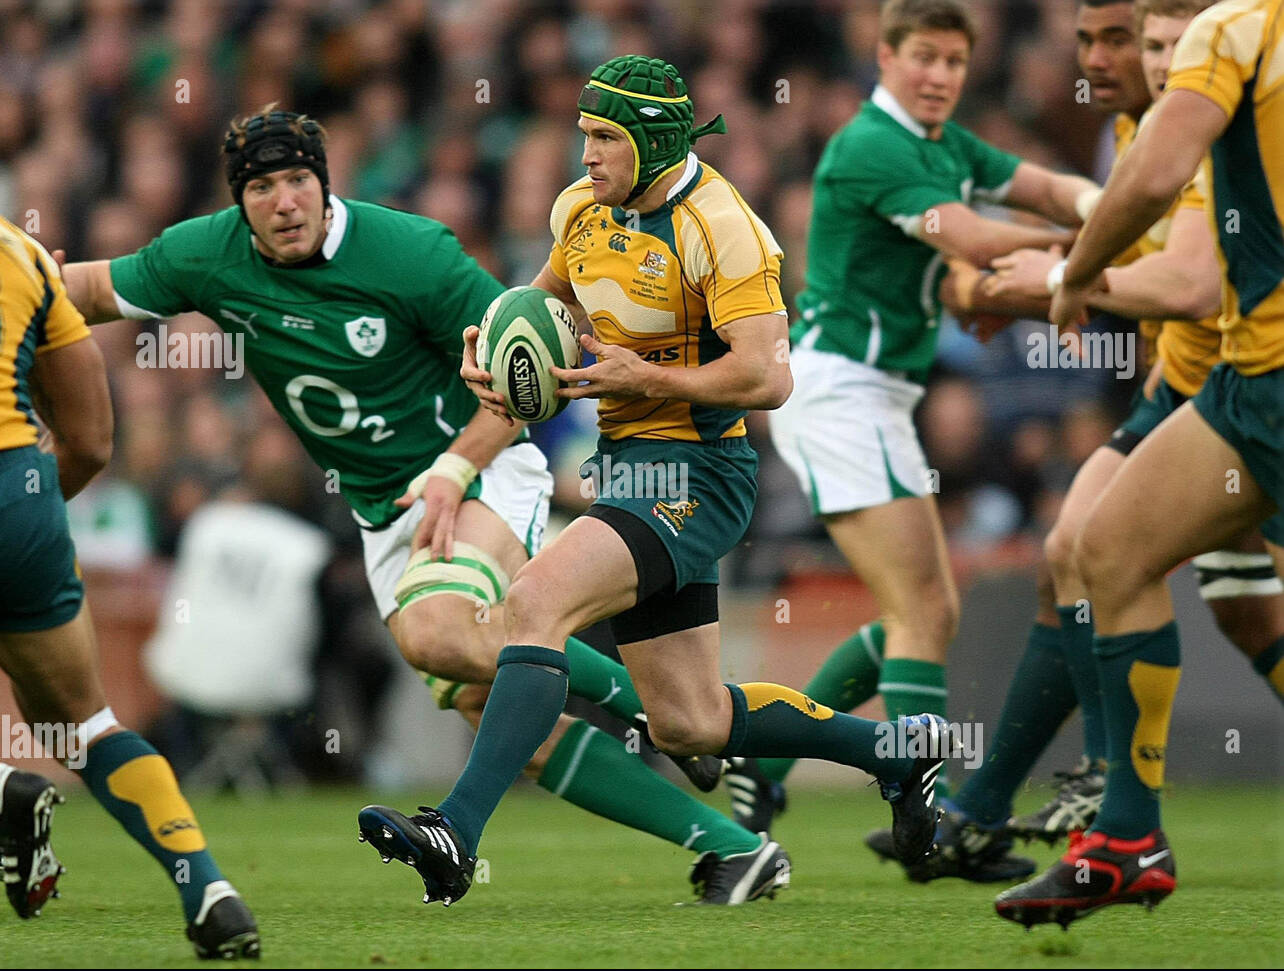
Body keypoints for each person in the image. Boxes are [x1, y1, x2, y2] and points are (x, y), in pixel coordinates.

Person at [60, 106, 783, 905]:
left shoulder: (411, 254)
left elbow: (521, 370)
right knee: (496, 705)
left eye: (299, 179)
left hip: (482, 467)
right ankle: (731, 841)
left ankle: (662, 718)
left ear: (324, 184)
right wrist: (16, 283)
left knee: (439, 631)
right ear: (241, 202)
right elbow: (88, 288)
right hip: (385, 509)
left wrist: (450, 466)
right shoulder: (204, 256)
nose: (285, 200)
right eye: (263, 187)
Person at [358, 54, 963, 909]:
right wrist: (491, 351)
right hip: (627, 470)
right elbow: (541, 309)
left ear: (650, 141)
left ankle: (457, 830)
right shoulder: (581, 210)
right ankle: (896, 750)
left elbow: (769, 377)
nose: (587, 156)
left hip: (699, 472)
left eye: (605, 138)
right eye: (584, 136)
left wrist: (651, 379)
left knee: (533, 602)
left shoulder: (723, 225)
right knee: (691, 720)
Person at [735, 0, 1106, 881]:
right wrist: (1104, 248)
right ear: (885, 56)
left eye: (953, 59)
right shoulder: (874, 145)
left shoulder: (945, 146)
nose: (940, 74)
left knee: (920, 614)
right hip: (838, 392)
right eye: (924, 57)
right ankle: (929, 827)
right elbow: (975, 238)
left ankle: (766, 759)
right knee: (920, 612)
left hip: (876, 397)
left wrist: (1103, 206)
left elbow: (1043, 190)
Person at [995, 0, 1284, 925]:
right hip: (1243, 380)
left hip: (1271, 376)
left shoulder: (1235, 30)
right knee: (1106, 547)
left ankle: (1117, 829)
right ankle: (1125, 832)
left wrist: (1075, 271)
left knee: (1108, 552)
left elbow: (1156, 175)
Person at [0, 202, 259, 958]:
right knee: (84, 721)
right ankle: (207, 887)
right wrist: (20, 526)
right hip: (23, 494)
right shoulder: (23, 250)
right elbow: (93, 440)